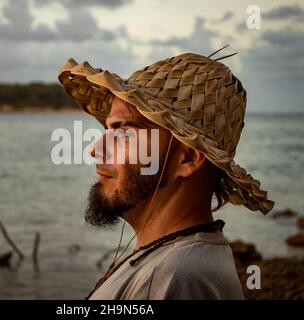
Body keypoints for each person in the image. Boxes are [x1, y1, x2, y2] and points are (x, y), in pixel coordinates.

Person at [58, 49, 274, 299]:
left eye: (124, 132)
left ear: (189, 157)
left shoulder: (173, 279)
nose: (95, 149)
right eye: (108, 130)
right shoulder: (176, 261)